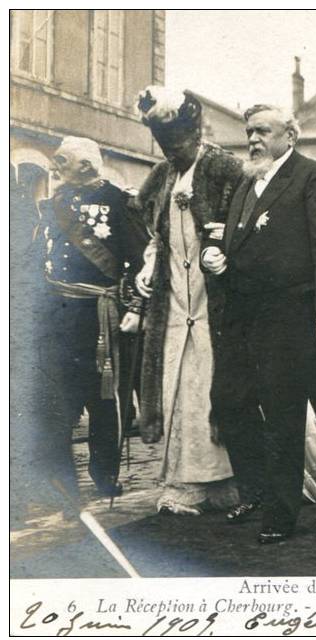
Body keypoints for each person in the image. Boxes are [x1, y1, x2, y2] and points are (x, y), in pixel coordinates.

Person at [211, 103, 316, 544]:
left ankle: (281, 512)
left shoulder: (313, 178)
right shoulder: (246, 184)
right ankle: (259, 491)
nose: (253, 139)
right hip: (241, 320)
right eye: (249, 131)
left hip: (288, 317)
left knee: (282, 415)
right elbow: (235, 245)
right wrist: (215, 259)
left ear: (289, 137)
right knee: (229, 402)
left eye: (263, 132)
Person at [134, 88, 246, 515]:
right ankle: (184, 479)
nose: (172, 153)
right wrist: (149, 268)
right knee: (178, 386)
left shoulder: (224, 168)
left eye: (178, 144)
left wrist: (225, 257)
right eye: (165, 146)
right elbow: (157, 237)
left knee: (214, 383)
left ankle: (225, 479)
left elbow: (243, 229)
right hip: (176, 302)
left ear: (195, 136)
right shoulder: (162, 176)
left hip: (213, 296)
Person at [22, 136, 146, 520]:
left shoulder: (120, 203)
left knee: (104, 402)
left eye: (62, 161)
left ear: (87, 166)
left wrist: (137, 307)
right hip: (56, 316)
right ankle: (63, 487)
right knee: (56, 403)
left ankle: (104, 474)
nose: (55, 167)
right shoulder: (55, 204)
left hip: (100, 317)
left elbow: (142, 261)